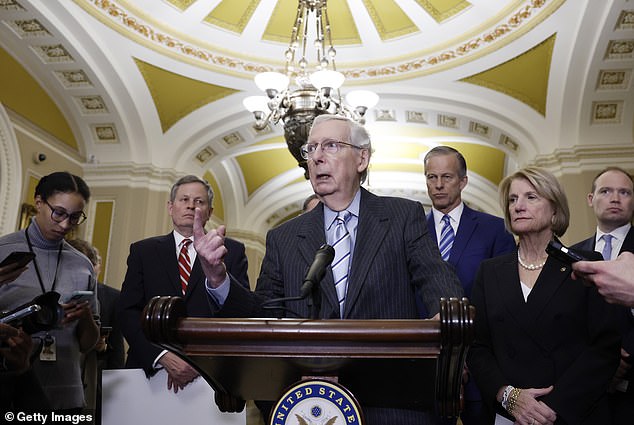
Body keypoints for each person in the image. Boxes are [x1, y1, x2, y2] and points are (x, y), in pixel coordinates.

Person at [196, 114, 464, 425]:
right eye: (311, 150)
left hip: (390, 403)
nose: (317, 157)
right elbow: (265, 314)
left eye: (331, 145)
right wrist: (217, 278)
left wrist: (446, 316)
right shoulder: (283, 238)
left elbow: (435, 276)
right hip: (308, 404)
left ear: (362, 158)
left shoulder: (402, 216)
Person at [467, 166, 621, 425]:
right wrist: (508, 396)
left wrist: (550, 409)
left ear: (555, 210)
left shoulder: (586, 265)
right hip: (508, 415)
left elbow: (604, 348)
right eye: (513, 199)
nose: (518, 206)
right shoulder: (490, 271)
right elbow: (477, 347)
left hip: (571, 413)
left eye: (531, 197)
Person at [118, 175, 249, 393]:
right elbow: (128, 311)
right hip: (148, 376)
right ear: (171, 207)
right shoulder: (143, 251)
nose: (191, 205)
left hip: (211, 378)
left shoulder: (232, 251)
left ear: (209, 211)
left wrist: (201, 362)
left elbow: (238, 315)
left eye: (199, 201)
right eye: (184, 199)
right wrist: (162, 356)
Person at [424, 146, 516, 423]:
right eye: (431, 177)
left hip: (480, 368)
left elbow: (503, 302)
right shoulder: (411, 231)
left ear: (463, 181)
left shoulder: (495, 230)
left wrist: (465, 355)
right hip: (426, 367)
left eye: (447, 177)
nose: (438, 185)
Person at [0, 171, 99, 412]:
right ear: (39, 203)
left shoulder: (82, 264)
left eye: (75, 217)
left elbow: (89, 344)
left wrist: (84, 317)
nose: (65, 225)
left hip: (66, 392)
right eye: (59, 213)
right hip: (9, 389)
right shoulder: (4, 251)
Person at [571, 166, 634, 425]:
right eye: (606, 191)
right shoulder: (573, 253)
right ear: (591, 199)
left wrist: (625, 357)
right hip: (583, 387)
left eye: (624, 192)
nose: (615, 198)